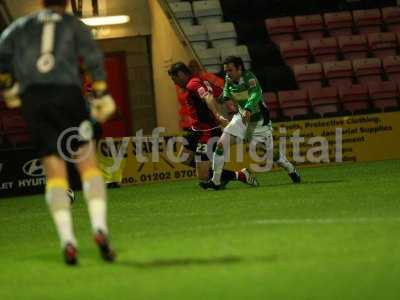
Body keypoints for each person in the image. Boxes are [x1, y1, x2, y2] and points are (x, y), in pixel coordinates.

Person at [0, 0, 116, 265]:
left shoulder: (21, 25)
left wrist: (9, 86)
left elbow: (2, 53)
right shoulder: (74, 24)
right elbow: (92, 58)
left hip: (34, 99)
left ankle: (67, 240)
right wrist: (101, 92)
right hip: (68, 95)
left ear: (42, 3)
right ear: (66, 3)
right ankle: (99, 227)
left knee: (54, 172)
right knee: (88, 164)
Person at [203, 56, 301, 190]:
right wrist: (219, 98)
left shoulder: (250, 78)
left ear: (239, 69)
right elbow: (226, 91)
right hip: (240, 119)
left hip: (258, 120)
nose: (227, 74)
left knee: (271, 153)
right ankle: (215, 181)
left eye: (230, 70)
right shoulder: (228, 79)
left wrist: (248, 108)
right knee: (221, 145)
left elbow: (256, 94)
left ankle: (290, 168)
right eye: (226, 71)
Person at [168, 62, 259, 188]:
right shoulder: (201, 81)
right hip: (196, 130)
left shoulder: (192, 84)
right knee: (184, 157)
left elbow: (208, 97)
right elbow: (221, 94)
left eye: (174, 78)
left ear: (181, 74)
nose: (174, 82)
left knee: (203, 176)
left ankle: (241, 175)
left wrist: (217, 115)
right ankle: (217, 175)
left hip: (207, 132)